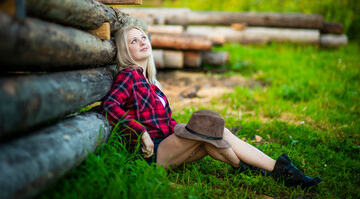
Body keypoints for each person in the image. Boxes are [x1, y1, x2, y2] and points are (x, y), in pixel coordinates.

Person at [100, 25, 322, 188]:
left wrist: (180, 128)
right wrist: (141, 133)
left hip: (167, 145)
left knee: (211, 139)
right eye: (133, 42)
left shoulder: (152, 82)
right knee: (209, 126)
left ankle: (260, 170)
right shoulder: (129, 75)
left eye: (142, 37)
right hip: (151, 154)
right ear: (125, 51)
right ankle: (283, 170)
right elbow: (109, 106)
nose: (142, 42)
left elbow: (165, 123)